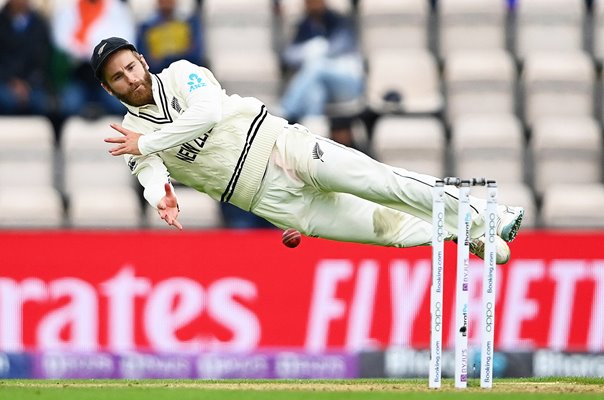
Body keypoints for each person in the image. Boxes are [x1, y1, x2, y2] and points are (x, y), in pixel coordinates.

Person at [90, 37, 524, 264]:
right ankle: (465, 232)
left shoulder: (185, 74)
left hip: (281, 147)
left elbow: (204, 115)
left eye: (131, 66)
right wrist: (161, 195)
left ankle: (489, 215)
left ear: (142, 60)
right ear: (109, 89)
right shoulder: (129, 135)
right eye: (118, 77)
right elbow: (147, 173)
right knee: (389, 232)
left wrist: (148, 142)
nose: (131, 78)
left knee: (381, 183)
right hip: (271, 201)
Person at [278, 0, 364, 123]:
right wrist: (310, 49)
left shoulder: (340, 21)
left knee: (316, 66)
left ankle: (286, 110)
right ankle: (313, 134)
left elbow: (340, 46)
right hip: (323, 84)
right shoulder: (304, 26)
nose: (312, 4)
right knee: (315, 93)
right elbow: (289, 56)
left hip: (349, 81)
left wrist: (316, 48)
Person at [0, 0, 53, 115]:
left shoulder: (39, 24)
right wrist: (12, 82)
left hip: (33, 84)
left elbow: (43, 60)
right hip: (4, 82)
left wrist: (28, 83)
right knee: (5, 99)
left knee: (41, 101)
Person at [135, 0, 205, 73]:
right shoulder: (146, 28)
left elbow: (195, 54)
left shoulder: (189, 23)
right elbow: (146, 59)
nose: (166, 2)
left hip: (187, 72)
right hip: (159, 75)